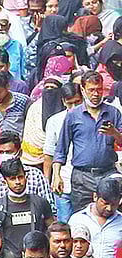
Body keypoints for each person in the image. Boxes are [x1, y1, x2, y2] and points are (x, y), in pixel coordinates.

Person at [53, 73, 122, 212]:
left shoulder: (113, 112)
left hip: (107, 173)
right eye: (91, 90)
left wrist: (114, 133)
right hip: (82, 177)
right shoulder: (73, 115)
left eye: (99, 89)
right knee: (81, 217)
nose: (96, 94)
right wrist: (56, 175)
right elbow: (61, 149)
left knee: (112, 214)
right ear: (83, 90)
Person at [0, 129, 57, 223]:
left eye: (9, 152)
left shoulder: (36, 176)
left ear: (20, 152)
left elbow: (50, 210)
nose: (5, 156)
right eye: (1, 152)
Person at [0, 157, 54, 256]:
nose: (18, 182)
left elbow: (52, 231)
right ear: (4, 182)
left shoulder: (41, 203)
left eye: (20, 177)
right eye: (12, 179)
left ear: (25, 177)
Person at [45, 81, 84, 222]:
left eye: (77, 102)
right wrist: (49, 180)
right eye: (69, 103)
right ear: (63, 102)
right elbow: (49, 154)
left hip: (84, 184)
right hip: (63, 182)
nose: (73, 107)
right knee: (64, 225)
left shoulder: (91, 118)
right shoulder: (54, 121)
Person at [68, 175, 122, 258]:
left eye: (114, 204)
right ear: (95, 197)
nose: (109, 208)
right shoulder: (77, 219)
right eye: (105, 203)